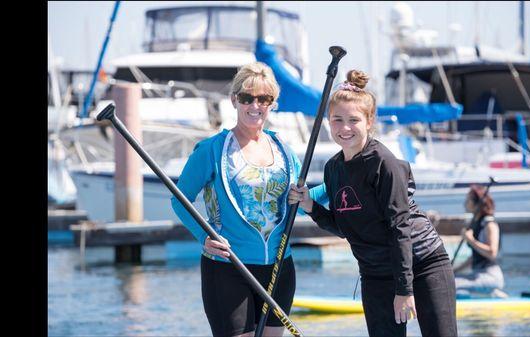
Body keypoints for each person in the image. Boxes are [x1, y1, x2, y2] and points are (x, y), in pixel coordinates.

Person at [288, 70, 458, 337]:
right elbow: (348, 228)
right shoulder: (333, 168)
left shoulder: (384, 163)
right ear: (328, 122)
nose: (344, 128)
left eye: (353, 120)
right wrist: (311, 206)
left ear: (369, 122)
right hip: (375, 273)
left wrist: (404, 290)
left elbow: (399, 227)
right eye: (337, 120)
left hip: (422, 263)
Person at [171, 61, 304, 337]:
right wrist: (203, 236)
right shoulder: (212, 149)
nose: (255, 105)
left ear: (272, 103)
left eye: (264, 98)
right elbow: (180, 200)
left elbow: (299, 204)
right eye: (247, 97)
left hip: (279, 267)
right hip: (228, 267)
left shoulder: (284, 151)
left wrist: (321, 190)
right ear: (234, 100)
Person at [453, 185, 507, 298]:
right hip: (477, 274)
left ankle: (492, 293)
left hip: (490, 276)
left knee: (452, 285)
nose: (465, 203)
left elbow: (492, 253)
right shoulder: (476, 224)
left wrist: (470, 240)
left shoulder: (489, 224)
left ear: (476, 203)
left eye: (468, 200)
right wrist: (453, 270)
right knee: (450, 280)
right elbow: (474, 257)